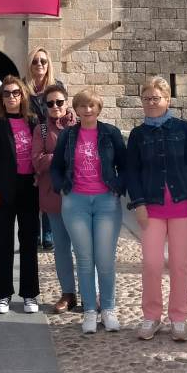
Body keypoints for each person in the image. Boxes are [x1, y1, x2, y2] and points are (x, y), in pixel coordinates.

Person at [127, 76, 187, 342]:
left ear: (167, 100)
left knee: (180, 264)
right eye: (147, 99)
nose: (151, 103)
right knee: (151, 264)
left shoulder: (183, 129)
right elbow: (132, 171)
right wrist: (137, 203)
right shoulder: (138, 135)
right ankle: (151, 316)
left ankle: (179, 318)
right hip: (151, 207)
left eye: (156, 98)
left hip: (183, 204)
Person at [51, 88, 127, 335]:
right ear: (77, 109)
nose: (88, 110)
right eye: (83, 106)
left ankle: (108, 308)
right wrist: (61, 187)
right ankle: (89, 312)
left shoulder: (111, 133)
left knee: (105, 259)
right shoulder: (68, 136)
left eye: (92, 105)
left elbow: (125, 165)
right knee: (84, 260)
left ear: (99, 108)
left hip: (106, 201)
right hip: (76, 202)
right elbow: (56, 167)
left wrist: (118, 186)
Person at [0, 75, 40, 314]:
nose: (11, 97)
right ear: (1, 98)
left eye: (16, 92)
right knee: (3, 243)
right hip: (3, 190)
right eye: (6, 93)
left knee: (29, 243)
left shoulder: (34, 121)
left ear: (23, 95)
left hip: (30, 188)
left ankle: (29, 294)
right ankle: (3, 294)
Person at [31, 84, 77, 313]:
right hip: (53, 196)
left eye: (59, 102)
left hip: (79, 195)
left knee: (84, 248)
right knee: (61, 248)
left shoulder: (80, 126)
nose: (55, 106)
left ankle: (91, 293)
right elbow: (37, 161)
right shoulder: (40, 130)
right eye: (50, 103)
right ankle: (67, 293)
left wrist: (53, 157)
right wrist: (62, 155)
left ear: (66, 103)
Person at [24, 47, 69, 251]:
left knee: (50, 182)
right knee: (33, 187)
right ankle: (34, 232)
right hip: (29, 141)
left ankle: (48, 232)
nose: (39, 64)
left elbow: (65, 111)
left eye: (43, 60)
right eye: (35, 61)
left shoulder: (56, 87)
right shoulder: (24, 89)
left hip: (51, 136)